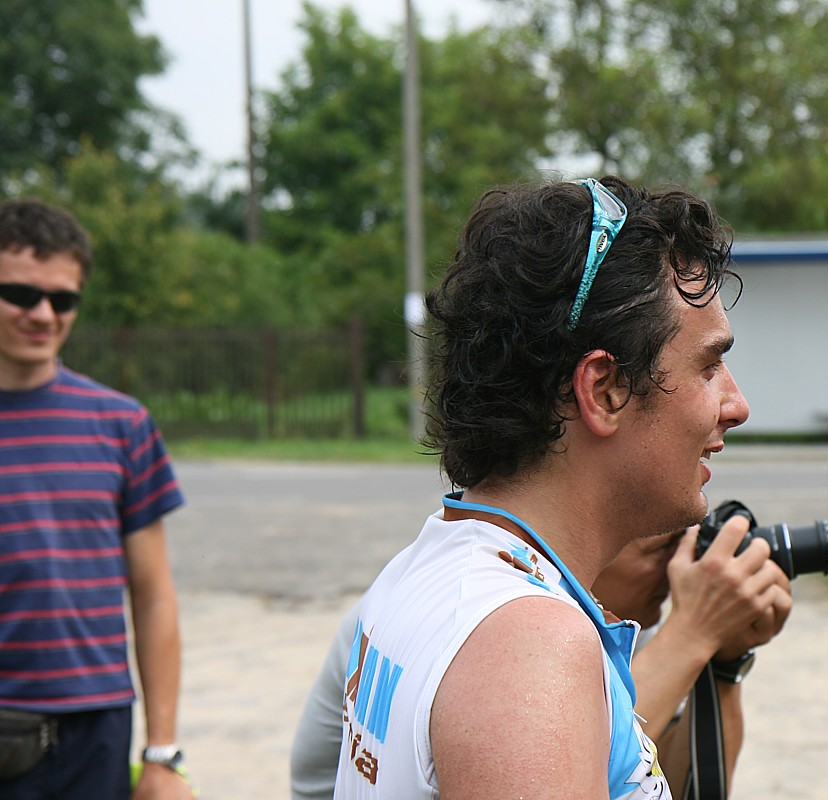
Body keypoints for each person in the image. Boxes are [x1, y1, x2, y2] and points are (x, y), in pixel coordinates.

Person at [331, 176, 787, 799]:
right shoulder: (530, 648)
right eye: (708, 366)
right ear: (604, 390)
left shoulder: (428, 567)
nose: (736, 405)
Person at [293, 519, 790, 799]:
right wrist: (692, 634)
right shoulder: (502, 629)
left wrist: (723, 662)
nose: (678, 570)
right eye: (663, 548)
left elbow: (672, 785)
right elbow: (580, 757)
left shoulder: (628, 622)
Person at [0, 200, 190, 799]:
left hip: (98, 732)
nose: (43, 314)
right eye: (21, 294)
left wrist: (162, 753)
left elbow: (154, 595)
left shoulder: (122, 424)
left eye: (63, 300)